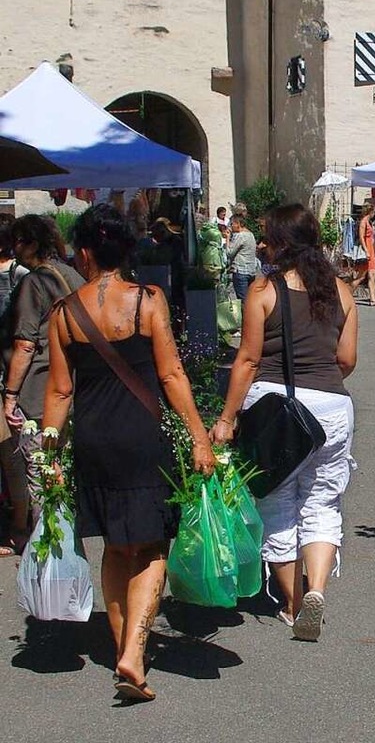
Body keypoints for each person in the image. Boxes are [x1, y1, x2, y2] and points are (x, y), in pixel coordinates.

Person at [42, 205, 215, 702]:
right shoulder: (148, 301)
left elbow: (58, 393)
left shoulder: (64, 313)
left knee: (116, 546)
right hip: (144, 437)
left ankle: (122, 644)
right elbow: (171, 375)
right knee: (153, 545)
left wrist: (50, 457)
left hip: (95, 440)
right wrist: (200, 437)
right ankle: (134, 654)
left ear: (85, 252)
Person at [211, 204, 358, 640]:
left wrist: (226, 417)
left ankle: (293, 604)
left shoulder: (263, 289)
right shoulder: (342, 291)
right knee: (322, 502)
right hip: (333, 407)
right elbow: (347, 360)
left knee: (274, 502)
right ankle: (316, 590)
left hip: (276, 406)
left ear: (278, 244)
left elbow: (248, 359)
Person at [2, 215, 85, 527]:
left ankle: (47, 542)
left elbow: (25, 344)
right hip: (73, 386)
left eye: (19, 242)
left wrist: (10, 395)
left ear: (32, 244)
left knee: (40, 470)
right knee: (61, 466)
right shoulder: (71, 275)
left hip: (37, 391)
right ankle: (64, 535)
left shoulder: (34, 282)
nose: (15, 248)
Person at [0, 215, 29, 556]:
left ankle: (19, 526)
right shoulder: (21, 276)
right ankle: (20, 527)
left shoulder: (17, 275)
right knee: (12, 457)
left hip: (6, 373)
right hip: (11, 373)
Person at [350, 202, 375, 306]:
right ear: (371, 212)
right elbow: (361, 237)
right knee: (361, 276)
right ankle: (347, 293)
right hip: (366, 251)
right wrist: (366, 250)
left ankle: (373, 299)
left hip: (371, 251)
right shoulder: (363, 222)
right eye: (374, 212)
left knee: (372, 275)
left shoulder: (369, 222)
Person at [227, 214, 257, 305]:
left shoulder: (241, 236)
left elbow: (229, 253)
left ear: (238, 224)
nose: (231, 226)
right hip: (251, 271)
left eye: (232, 224)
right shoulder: (250, 234)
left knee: (243, 302)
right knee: (250, 299)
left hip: (241, 271)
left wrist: (228, 238)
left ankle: (245, 318)